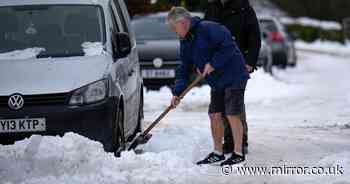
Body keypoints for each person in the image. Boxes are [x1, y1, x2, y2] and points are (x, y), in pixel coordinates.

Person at [167, 7, 249, 166]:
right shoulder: (185, 41)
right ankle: (218, 152)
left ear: (183, 23)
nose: (173, 31)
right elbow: (184, 67)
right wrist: (177, 93)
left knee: (232, 113)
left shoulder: (209, 28)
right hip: (217, 80)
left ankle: (238, 153)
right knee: (214, 114)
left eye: (173, 27)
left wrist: (213, 63)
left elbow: (229, 46)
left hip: (234, 75)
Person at [205, 0, 261, 154]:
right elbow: (204, 34)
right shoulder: (212, 7)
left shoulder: (244, 8)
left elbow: (255, 38)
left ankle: (240, 141)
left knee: (234, 103)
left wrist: (249, 62)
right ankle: (229, 141)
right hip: (217, 64)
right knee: (220, 103)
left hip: (238, 63)